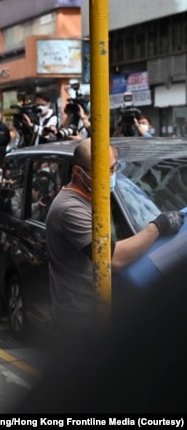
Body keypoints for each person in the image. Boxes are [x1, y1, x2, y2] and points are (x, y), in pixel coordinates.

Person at [46, 138, 184, 334]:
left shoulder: (96, 199)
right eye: (104, 171)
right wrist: (157, 227)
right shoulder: (70, 208)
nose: (111, 175)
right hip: (81, 322)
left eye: (113, 168)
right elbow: (112, 258)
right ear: (78, 172)